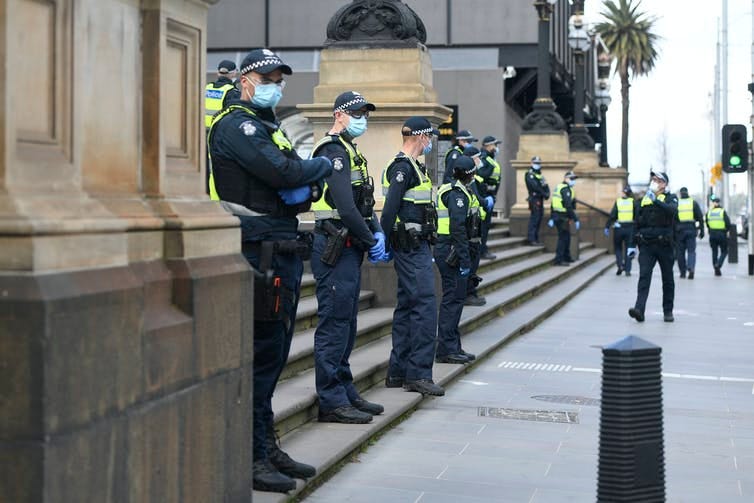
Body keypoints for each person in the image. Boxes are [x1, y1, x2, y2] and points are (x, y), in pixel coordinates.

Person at [207, 48, 333, 493]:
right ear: (246, 81)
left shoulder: (267, 126)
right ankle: (252, 456)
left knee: (275, 353)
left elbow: (298, 189)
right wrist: (323, 164)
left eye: (279, 79)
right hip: (256, 249)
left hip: (277, 246)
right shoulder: (237, 126)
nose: (275, 85)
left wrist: (303, 176)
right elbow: (283, 174)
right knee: (261, 357)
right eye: (268, 78)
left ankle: (266, 445)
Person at [309, 91, 388, 424]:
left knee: (347, 322)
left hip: (348, 246)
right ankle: (331, 399)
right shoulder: (332, 152)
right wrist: (372, 239)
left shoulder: (351, 152)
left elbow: (364, 202)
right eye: (357, 113)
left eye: (365, 113)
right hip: (334, 246)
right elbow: (344, 205)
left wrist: (377, 229)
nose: (363, 119)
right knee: (334, 324)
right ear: (338, 115)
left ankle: (345, 389)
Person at [381, 116, 444, 397]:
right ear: (421, 137)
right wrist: (383, 241)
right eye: (429, 137)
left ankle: (398, 372)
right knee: (425, 306)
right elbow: (390, 209)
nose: (430, 142)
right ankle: (418, 373)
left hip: (415, 247)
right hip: (410, 247)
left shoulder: (414, 169)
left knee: (408, 306)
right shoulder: (403, 168)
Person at [434, 155, 481, 364]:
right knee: (452, 300)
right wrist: (464, 260)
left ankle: (454, 346)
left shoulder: (457, 190)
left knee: (456, 300)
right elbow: (458, 228)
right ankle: (446, 349)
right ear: (469, 174)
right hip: (451, 250)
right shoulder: (456, 194)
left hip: (452, 249)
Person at [628, 171, 678, 323]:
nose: (654, 182)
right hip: (646, 245)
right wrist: (631, 245)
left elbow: (671, 211)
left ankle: (668, 311)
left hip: (664, 245)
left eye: (657, 180)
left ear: (664, 184)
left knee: (667, 279)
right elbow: (636, 223)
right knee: (644, 277)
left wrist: (655, 200)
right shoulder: (643, 200)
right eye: (653, 179)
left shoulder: (671, 198)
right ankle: (639, 309)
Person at [462, 145, 491, 307]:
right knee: (471, 265)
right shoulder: (468, 179)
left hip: (475, 227)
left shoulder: (472, 178)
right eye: (478, 157)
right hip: (469, 231)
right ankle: (469, 294)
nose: (480, 161)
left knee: (474, 262)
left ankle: (471, 292)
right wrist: (485, 202)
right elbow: (477, 200)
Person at [477, 136, 503, 260]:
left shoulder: (491, 159)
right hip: (484, 195)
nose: (496, 148)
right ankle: (482, 251)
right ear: (487, 145)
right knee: (483, 225)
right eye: (494, 145)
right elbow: (481, 175)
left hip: (490, 195)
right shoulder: (483, 158)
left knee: (486, 225)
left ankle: (483, 249)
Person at [604, 185, 638, 276]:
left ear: (623, 193)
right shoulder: (633, 202)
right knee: (629, 248)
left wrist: (607, 226)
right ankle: (627, 270)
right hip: (630, 228)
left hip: (619, 228)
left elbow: (612, 215)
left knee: (618, 248)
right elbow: (637, 216)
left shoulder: (618, 202)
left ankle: (620, 266)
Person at [548, 171, 579, 266]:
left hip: (560, 216)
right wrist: (575, 219)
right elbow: (568, 206)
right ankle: (559, 259)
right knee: (563, 238)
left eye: (574, 179)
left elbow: (553, 204)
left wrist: (552, 217)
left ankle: (566, 257)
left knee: (567, 237)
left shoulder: (562, 187)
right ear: (565, 179)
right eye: (571, 179)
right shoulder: (565, 189)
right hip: (562, 216)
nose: (573, 181)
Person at [675, 186, 704, 279]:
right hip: (691, 229)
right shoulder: (693, 203)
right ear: (687, 193)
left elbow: (673, 219)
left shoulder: (677, 203)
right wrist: (702, 231)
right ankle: (691, 268)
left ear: (680, 193)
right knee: (691, 251)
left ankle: (682, 272)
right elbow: (700, 217)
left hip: (679, 231)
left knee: (680, 252)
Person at [205, 59, 240, 128]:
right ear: (233, 73)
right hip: (219, 130)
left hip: (201, 131)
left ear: (218, 73)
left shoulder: (206, 88)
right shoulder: (232, 92)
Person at [525, 156, 550, 245]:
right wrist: (544, 193)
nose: (537, 165)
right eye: (535, 163)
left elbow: (545, 186)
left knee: (539, 219)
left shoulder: (540, 175)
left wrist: (547, 194)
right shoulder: (529, 174)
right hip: (534, 199)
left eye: (538, 163)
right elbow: (535, 186)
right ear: (531, 163)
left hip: (540, 198)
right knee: (535, 219)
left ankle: (535, 238)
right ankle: (531, 239)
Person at [706, 194, 731, 276]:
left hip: (712, 234)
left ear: (713, 203)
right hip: (721, 234)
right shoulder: (722, 211)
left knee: (714, 251)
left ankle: (715, 268)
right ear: (719, 203)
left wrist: (710, 230)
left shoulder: (709, 212)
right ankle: (718, 264)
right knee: (724, 251)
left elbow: (707, 223)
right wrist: (726, 230)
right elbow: (728, 223)